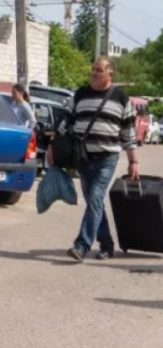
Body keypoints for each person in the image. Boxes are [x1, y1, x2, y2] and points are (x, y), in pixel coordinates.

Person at [48, 56, 139, 262]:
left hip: (107, 158)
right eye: (93, 70)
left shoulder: (121, 98)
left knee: (96, 198)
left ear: (110, 74)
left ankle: (82, 245)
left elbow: (129, 133)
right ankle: (106, 245)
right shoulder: (80, 94)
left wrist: (133, 161)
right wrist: (53, 146)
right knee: (93, 202)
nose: (94, 74)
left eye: (99, 70)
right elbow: (66, 121)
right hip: (83, 157)